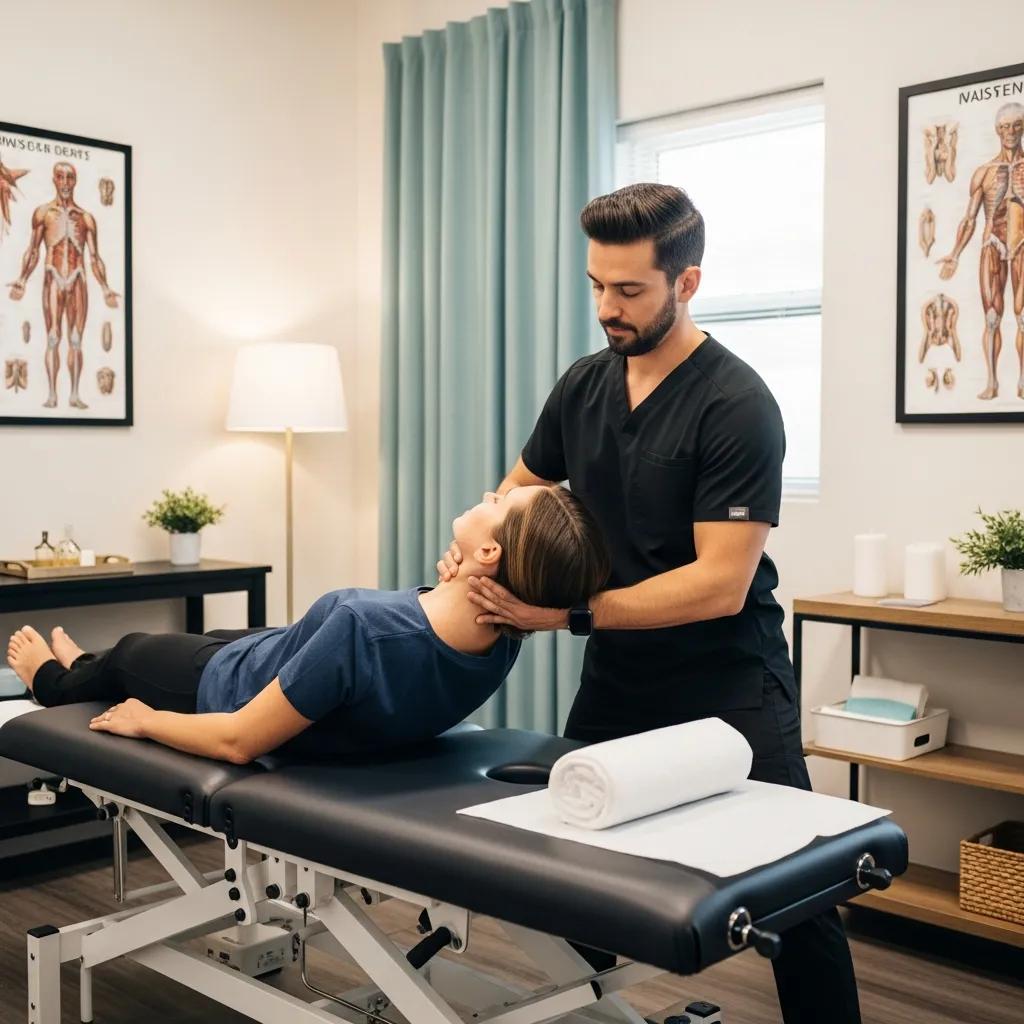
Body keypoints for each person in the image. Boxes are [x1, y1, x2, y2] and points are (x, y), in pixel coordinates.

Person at [439, 183, 862, 1024]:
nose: (608, 308)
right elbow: (522, 486)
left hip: (729, 683)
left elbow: (720, 583)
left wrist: (564, 615)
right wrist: (483, 552)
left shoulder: (736, 404)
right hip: (621, 676)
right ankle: (587, 1012)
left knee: (799, 897)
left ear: (688, 283)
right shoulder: (584, 385)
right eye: (597, 285)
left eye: (629, 290)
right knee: (577, 874)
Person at [6, 485, 609, 765]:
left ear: (489, 557)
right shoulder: (502, 635)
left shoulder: (364, 627)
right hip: (284, 660)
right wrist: (453, 581)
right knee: (219, 636)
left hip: (228, 688)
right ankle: (85, 665)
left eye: (501, 504)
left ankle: (55, 681)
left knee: (131, 655)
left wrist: (147, 720)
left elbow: (238, 741)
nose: (488, 493)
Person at [7, 161, 120, 410]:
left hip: (78, 277)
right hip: (53, 276)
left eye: (70, 178)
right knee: (53, 337)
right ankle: (51, 394)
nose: (66, 183)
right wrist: (23, 279)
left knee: (76, 339)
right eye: (61, 177)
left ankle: (75, 394)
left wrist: (105, 288)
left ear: (75, 181)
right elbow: (33, 251)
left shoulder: (86, 218)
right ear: (54, 180)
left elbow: (94, 257)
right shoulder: (43, 213)